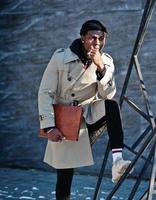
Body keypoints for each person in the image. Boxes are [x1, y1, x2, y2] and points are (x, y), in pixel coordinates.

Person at [38, 20, 131, 200]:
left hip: (87, 115)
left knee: (112, 106)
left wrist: (101, 68)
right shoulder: (60, 58)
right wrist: (49, 126)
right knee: (65, 174)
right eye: (92, 38)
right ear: (82, 38)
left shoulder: (106, 61)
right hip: (64, 119)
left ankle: (117, 161)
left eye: (101, 38)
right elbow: (45, 92)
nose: (97, 42)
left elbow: (108, 94)